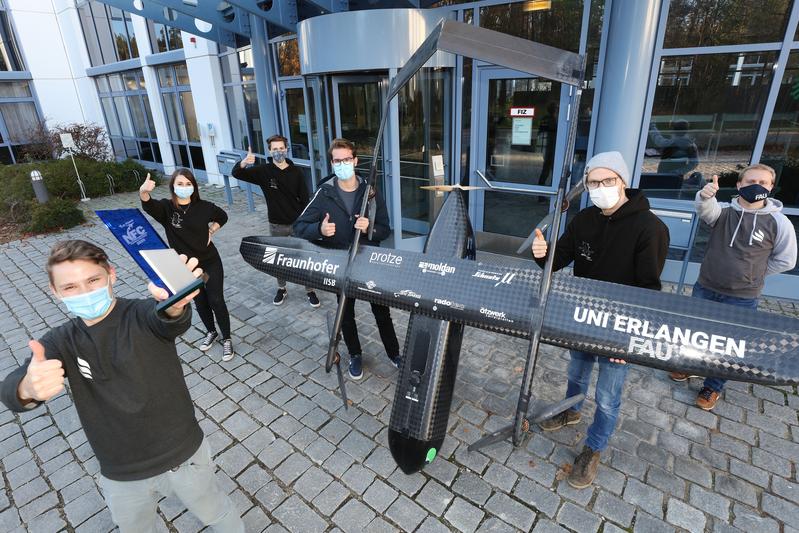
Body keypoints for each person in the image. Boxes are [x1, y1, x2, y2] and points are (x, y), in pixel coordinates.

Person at [0, 240, 244, 533]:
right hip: (121, 472)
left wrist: (176, 306)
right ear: (54, 292)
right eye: (70, 287)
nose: (85, 293)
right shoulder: (59, 341)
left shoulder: (141, 314)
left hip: (183, 455)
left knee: (216, 512)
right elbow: (12, 390)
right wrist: (27, 388)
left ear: (111, 275)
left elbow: (168, 320)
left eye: (93, 280)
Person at [532, 151, 669, 489]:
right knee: (576, 372)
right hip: (584, 316)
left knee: (608, 395)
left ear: (623, 182)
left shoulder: (650, 228)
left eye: (608, 181)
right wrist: (543, 255)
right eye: (594, 182)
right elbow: (558, 260)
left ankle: (594, 447)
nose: (600, 188)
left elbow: (649, 290)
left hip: (620, 325)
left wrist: (628, 340)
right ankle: (571, 408)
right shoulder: (584, 221)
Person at [670, 164, 797, 409]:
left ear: (771, 187)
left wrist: (754, 274)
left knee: (728, 345)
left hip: (742, 297)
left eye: (763, 182)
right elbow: (707, 212)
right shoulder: (725, 212)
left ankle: (712, 387)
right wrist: (705, 196)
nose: (756, 186)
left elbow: (786, 260)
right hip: (706, 287)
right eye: (750, 181)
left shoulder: (779, 223)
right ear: (739, 185)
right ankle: (687, 366)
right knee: (695, 331)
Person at [293, 138, 401, 380]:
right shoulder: (324, 192)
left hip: (370, 263)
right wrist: (319, 231)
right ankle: (355, 354)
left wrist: (369, 227)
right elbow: (299, 226)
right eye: (337, 160)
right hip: (340, 263)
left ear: (355, 160)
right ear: (332, 163)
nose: (342, 164)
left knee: (381, 312)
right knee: (346, 314)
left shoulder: (370, 192)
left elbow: (385, 229)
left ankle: (394, 353)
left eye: (346, 160)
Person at [140, 170, 235, 362]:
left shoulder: (205, 207)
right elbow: (149, 205)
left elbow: (223, 216)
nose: (184, 188)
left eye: (188, 184)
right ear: (173, 186)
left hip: (209, 262)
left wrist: (212, 229)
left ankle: (227, 338)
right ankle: (211, 331)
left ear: (194, 186)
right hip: (187, 267)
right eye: (180, 184)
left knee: (216, 299)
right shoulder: (167, 209)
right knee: (200, 301)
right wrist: (143, 192)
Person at [232, 135, 320, 308]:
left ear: (286, 149)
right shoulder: (263, 171)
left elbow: (305, 199)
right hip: (276, 225)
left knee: (305, 257)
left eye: (281, 148)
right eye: (275, 149)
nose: (279, 151)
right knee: (278, 259)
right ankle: (282, 288)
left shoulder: (296, 172)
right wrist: (243, 163)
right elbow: (237, 173)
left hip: (298, 224)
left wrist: (306, 222)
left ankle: (310, 290)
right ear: (269, 151)